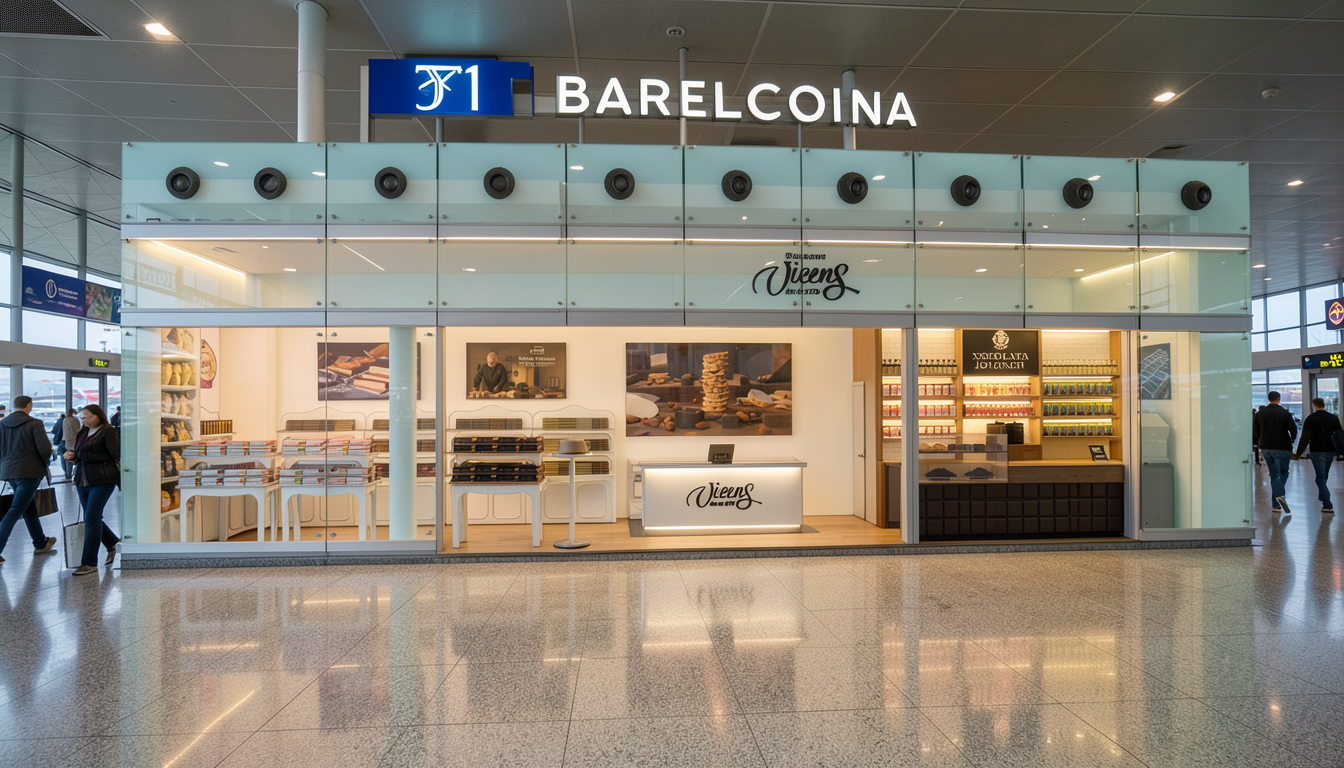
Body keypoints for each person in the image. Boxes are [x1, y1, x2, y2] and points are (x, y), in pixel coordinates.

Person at [0, 396, 59, 563]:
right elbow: (45, 449)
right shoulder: (35, 423)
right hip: (30, 471)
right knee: (16, 509)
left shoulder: (2, 423)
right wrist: (44, 463)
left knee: (28, 506)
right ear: (29, 405)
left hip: (9, 471)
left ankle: (40, 542)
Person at [63, 404, 120, 574]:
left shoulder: (108, 431)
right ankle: (112, 543)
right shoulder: (83, 432)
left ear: (98, 416)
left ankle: (89, 562)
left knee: (92, 518)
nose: (84, 420)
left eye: (87, 417)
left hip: (103, 479)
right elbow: (79, 453)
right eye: (82, 417)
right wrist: (72, 456)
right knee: (91, 518)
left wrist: (81, 455)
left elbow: (113, 454)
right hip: (82, 480)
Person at [1294, 397, 1341, 515]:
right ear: (1324, 404)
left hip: (1316, 450)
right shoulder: (1333, 418)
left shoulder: (1311, 419)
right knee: (1324, 476)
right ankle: (1323, 496)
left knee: (1320, 478)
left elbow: (1305, 437)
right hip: (1330, 451)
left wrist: (1298, 453)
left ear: (1314, 404)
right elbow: (1340, 435)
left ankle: (1327, 504)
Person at [1254, 391, 1298, 514]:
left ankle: (1276, 504)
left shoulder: (1259, 414)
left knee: (1274, 474)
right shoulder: (1284, 413)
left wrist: (1261, 439)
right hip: (1283, 446)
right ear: (1279, 398)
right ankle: (1279, 496)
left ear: (1268, 399)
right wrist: (1292, 439)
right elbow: (1293, 429)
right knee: (1283, 472)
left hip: (1266, 447)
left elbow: (1255, 430)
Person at [61, 408, 80, 478]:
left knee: (67, 457)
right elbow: (77, 430)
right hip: (73, 440)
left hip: (66, 440)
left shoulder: (65, 419)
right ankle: (73, 474)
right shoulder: (74, 420)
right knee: (74, 456)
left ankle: (68, 473)